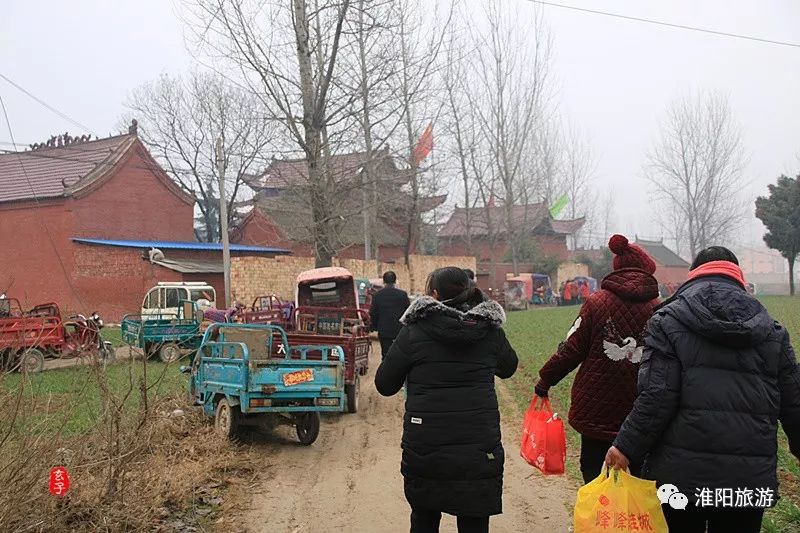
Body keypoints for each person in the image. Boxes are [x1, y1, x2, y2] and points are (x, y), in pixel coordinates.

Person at [605, 246, 800, 533]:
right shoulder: (771, 331)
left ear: (693, 275)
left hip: (680, 478)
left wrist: (625, 447)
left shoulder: (667, 321)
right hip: (745, 482)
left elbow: (657, 395)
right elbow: (794, 401)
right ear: (739, 278)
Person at [375, 267, 518, 533]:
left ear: (435, 294)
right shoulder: (489, 330)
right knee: (475, 521)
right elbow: (509, 368)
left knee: (424, 520)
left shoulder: (413, 331)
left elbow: (384, 385)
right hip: (478, 449)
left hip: (426, 447)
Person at [534, 235, 660, 483]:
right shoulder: (658, 307)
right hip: (639, 410)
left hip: (596, 406)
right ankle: (628, 519)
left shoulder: (596, 303)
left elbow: (571, 349)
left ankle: (598, 518)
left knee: (593, 473)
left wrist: (545, 380)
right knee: (636, 476)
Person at [369, 271, 411, 360]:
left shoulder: (378, 295)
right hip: (400, 331)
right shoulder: (403, 295)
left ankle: (386, 372)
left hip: (384, 331)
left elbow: (373, 313)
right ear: (395, 281)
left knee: (386, 355)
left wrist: (374, 326)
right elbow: (408, 312)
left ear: (383, 282)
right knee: (400, 355)